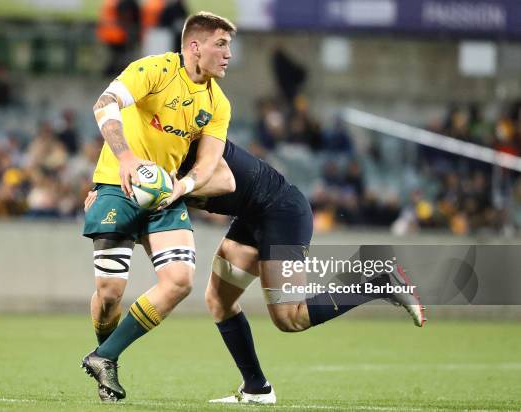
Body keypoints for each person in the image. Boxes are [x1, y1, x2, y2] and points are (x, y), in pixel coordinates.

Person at [85, 138, 426, 404]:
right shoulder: (161, 152)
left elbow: (226, 181)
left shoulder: (195, 148)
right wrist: (105, 195)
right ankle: (257, 388)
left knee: (289, 318)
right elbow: (137, 180)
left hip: (283, 214)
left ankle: (379, 283)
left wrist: (179, 188)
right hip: (253, 218)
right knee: (218, 299)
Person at [81, 12, 237, 402]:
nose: (228, 54)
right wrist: (127, 158)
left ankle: (105, 356)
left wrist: (181, 186)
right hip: (117, 184)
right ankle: (107, 361)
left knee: (181, 281)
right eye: (221, 44)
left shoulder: (218, 103)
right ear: (194, 47)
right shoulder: (155, 69)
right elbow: (104, 104)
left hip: (165, 195)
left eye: (229, 45)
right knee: (110, 293)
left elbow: (208, 164)